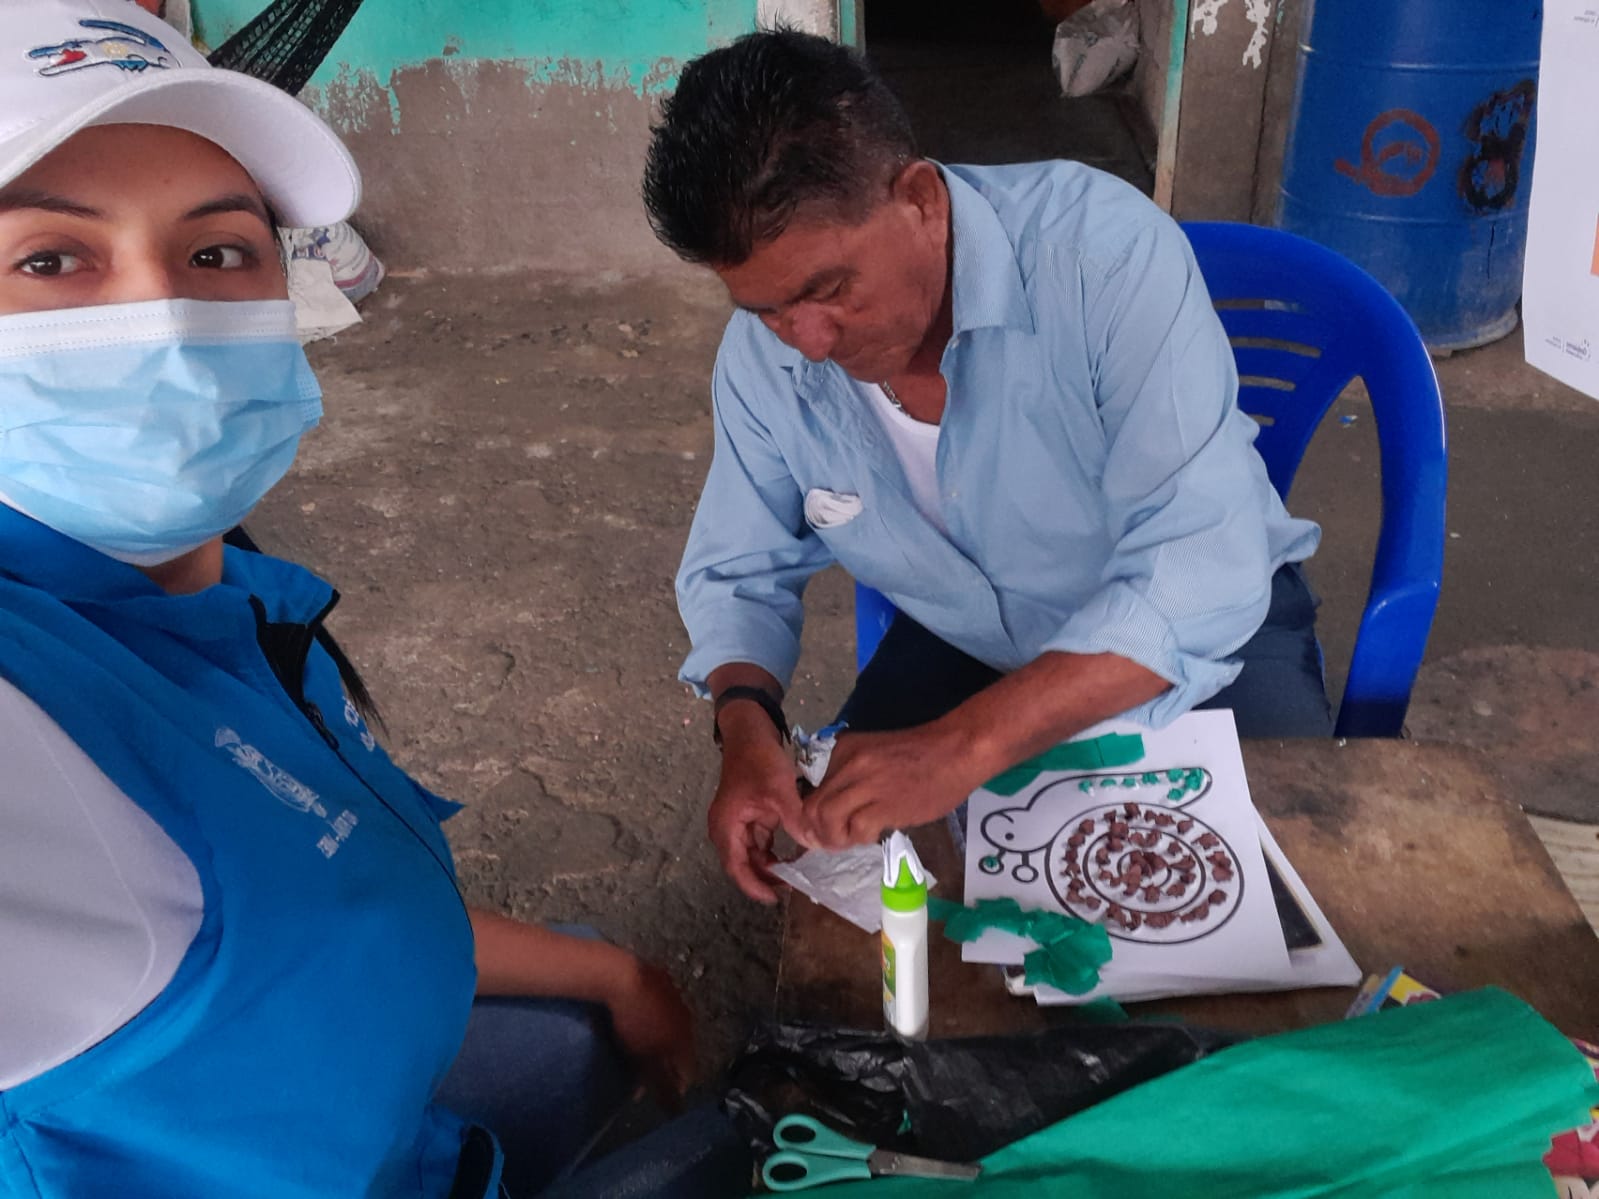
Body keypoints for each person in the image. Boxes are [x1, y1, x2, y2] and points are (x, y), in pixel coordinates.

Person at [0, 3, 747, 1195]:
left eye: (216, 252)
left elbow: (320, 887)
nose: (170, 324)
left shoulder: (231, 605)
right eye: (49, 260)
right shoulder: (33, 715)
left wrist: (614, 971)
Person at [642, 29, 1332, 904]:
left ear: (920, 200)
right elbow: (738, 570)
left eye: (829, 289)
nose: (807, 341)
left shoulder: (1103, 258)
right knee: (868, 909)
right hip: (968, 633)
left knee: (1268, 906)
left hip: (1200, 638)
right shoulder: (764, 360)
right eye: (768, 309)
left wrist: (969, 743)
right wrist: (746, 726)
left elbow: (1199, 564)